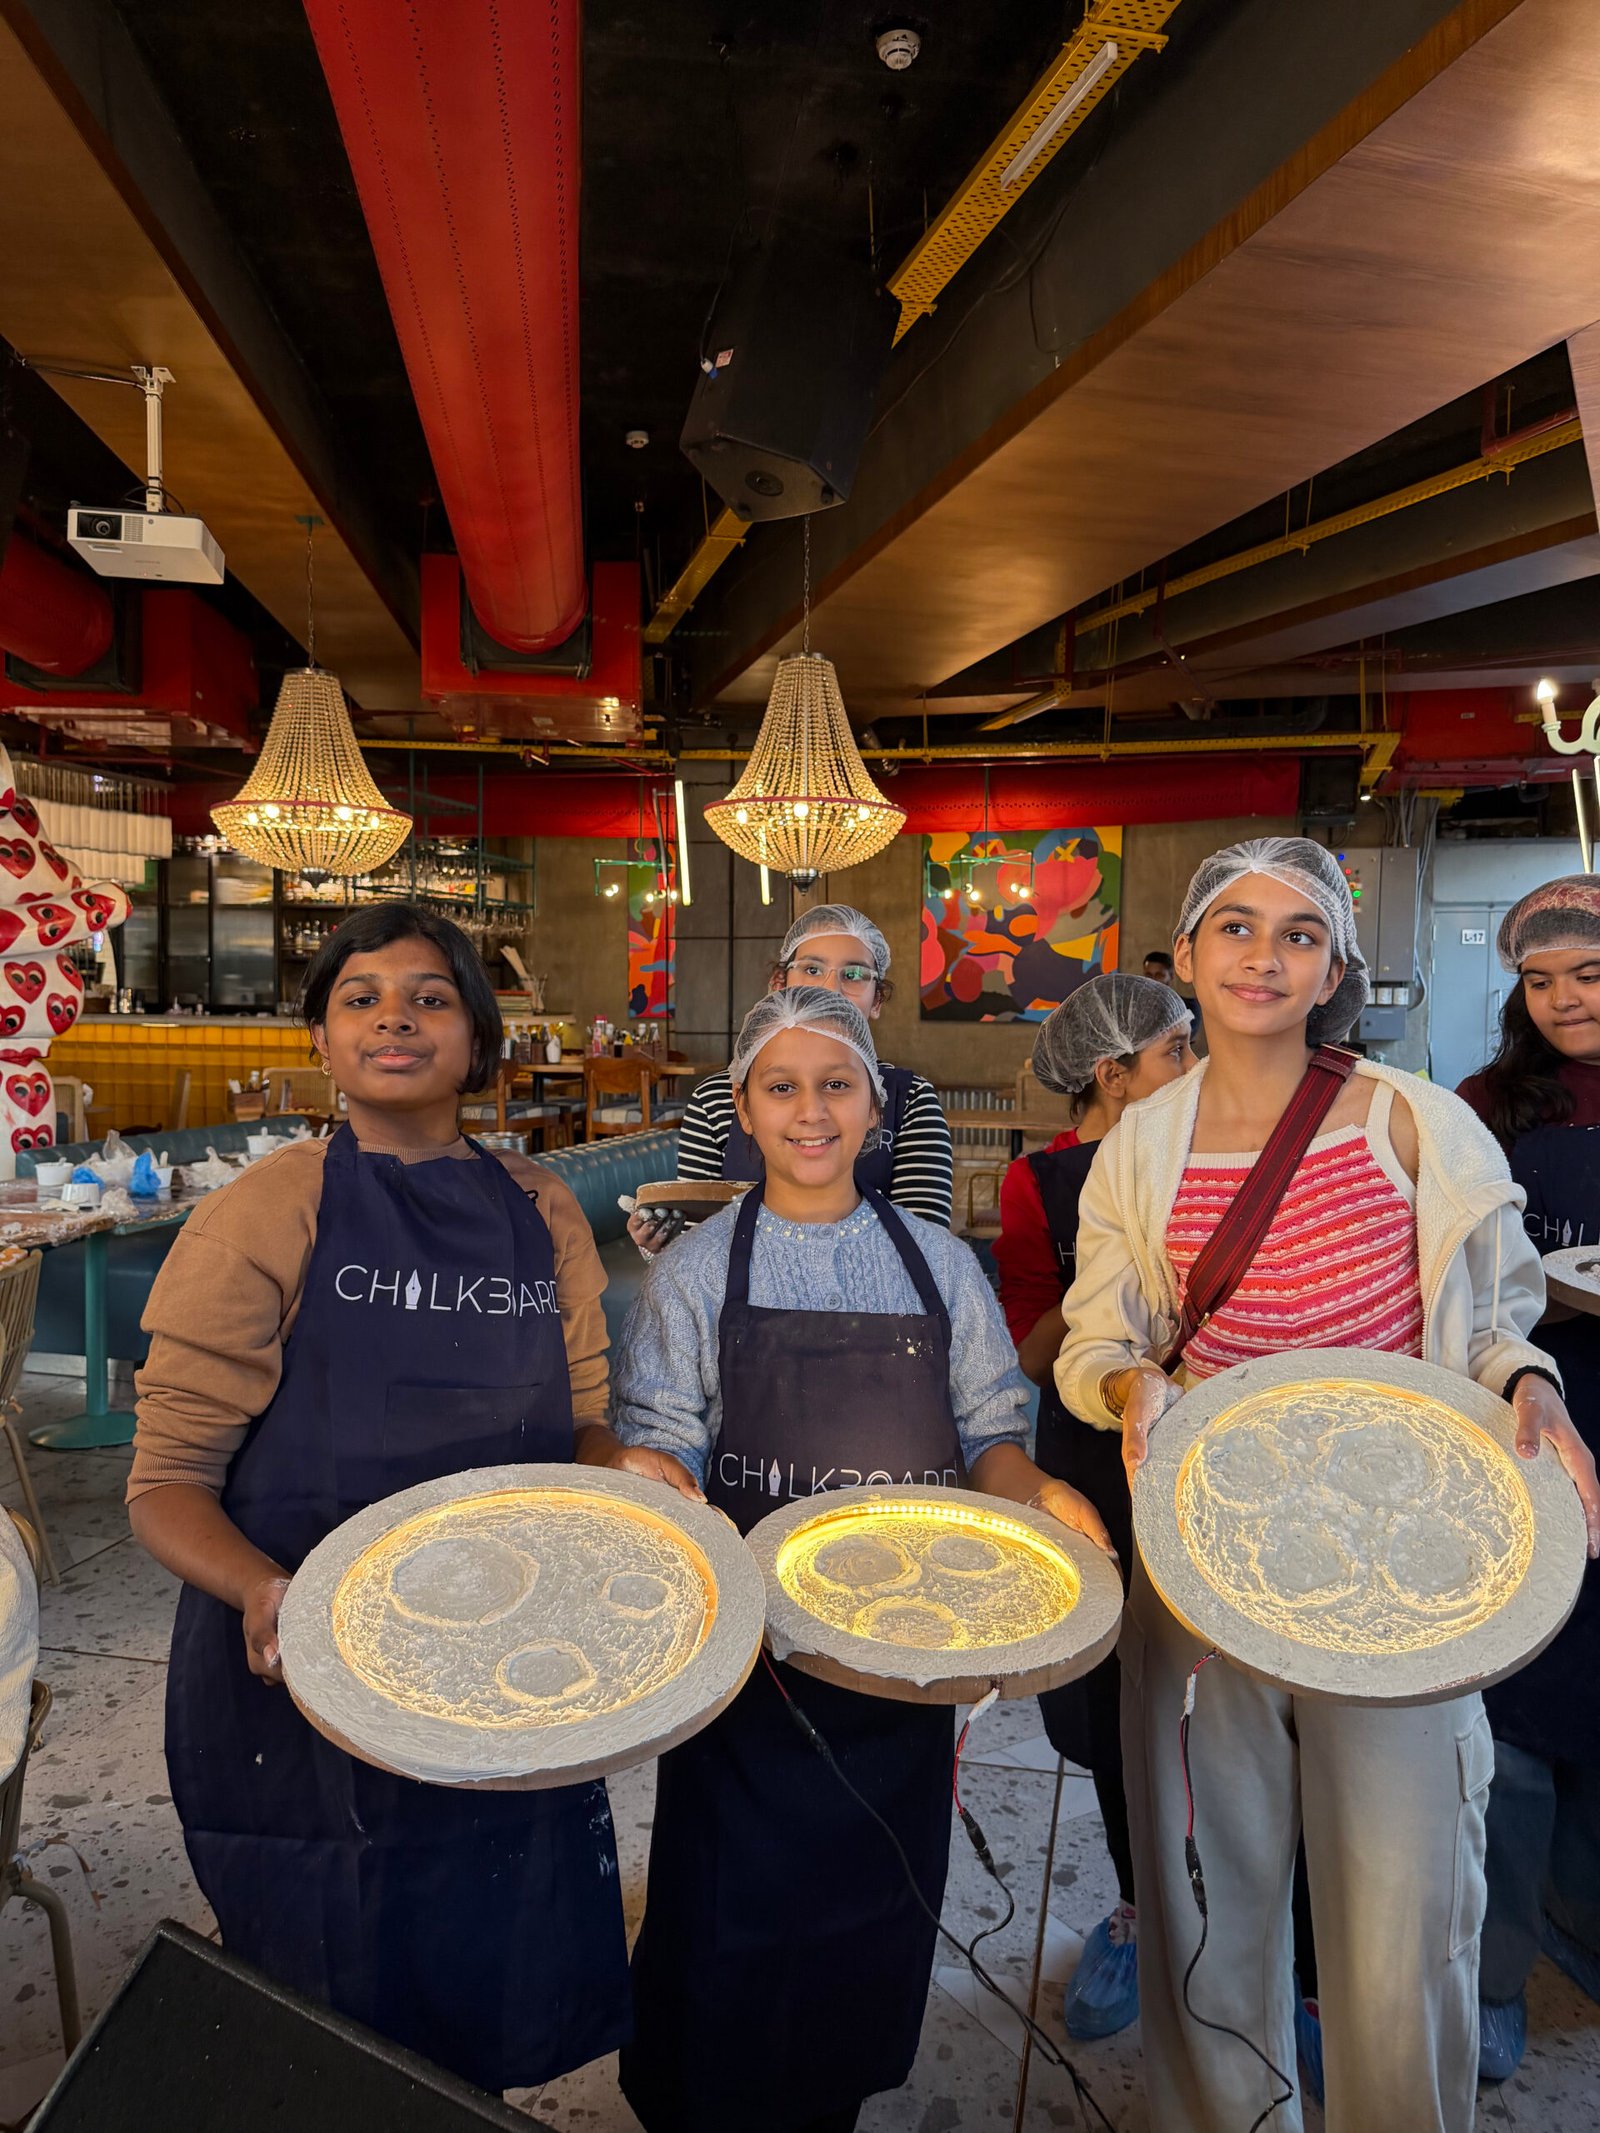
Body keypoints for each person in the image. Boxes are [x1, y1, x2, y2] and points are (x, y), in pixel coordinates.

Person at [1055, 837, 1600, 2133]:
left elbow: (1498, 1318)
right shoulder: (1141, 1149)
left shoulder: (1418, 1123)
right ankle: (1234, 2116)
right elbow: (1097, 1335)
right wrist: (1133, 1388)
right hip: (1213, 1555)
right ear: (1184, 957)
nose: (1261, 952)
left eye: (1297, 931)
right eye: (1231, 926)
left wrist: (1535, 1389)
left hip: (1401, 1566)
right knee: (1219, 1897)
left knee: (1401, 1897)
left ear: (1335, 968)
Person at [589, 986, 1113, 2133]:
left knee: (873, 1891)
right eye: (782, 1087)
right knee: (729, 1897)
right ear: (743, 1106)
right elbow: (666, 1438)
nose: (810, 1110)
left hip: (901, 1648)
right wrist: (650, 1474)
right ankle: (698, 2099)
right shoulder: (695, 1273)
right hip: (752, 1654)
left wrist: (1039, 1490)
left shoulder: (935, 1264)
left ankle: (834, 2090)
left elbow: (988, 1431)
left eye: (836, 1085)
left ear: (876, 1106)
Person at [127, 904, 629, 2092]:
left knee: (489, 1973)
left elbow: (586, 1419)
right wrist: (260, 1587)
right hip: (302, 1673)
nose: (394, 1016)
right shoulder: (263, 1210)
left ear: (479, 1037)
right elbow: (165, 1482)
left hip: (512, 1667)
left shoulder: (541, 1208)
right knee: (328, 2008)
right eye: (360, 996)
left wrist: (625, 1471)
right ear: (321, 1039)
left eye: (430, 995)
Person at [994, 972, 1195, 2038]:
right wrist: (1100, 1305)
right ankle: (1134, 1909)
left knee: (1228, 1702)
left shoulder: (1218, 1164)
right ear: (1112, 1077)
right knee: (1118, 1704)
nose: (1194, 1068)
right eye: (1173, 1052)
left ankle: (1251, 1925)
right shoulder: (1041, 1187)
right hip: (1092, 1456)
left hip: (1206, 1453)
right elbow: (1029, 1355)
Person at [1457, 876, 1600, 2079]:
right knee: (1517, 1711)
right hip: (1539, 1416)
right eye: (1539, 979)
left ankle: (1583, 1936)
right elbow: (1459, 1279)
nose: (1560, 1000)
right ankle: (1495, 1975)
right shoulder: (1489, 1104)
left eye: (1587, 975)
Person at [663, 903, 953, 1228]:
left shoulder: (910, 1097)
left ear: (877, 1000)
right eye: (812, 969)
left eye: (854, 974)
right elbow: (699, 1232)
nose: (831, 989)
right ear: (779, 985)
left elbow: (924, 1242)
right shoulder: (715, 1099)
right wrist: (666, 1246)